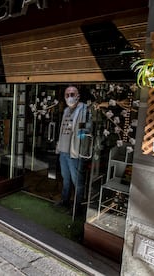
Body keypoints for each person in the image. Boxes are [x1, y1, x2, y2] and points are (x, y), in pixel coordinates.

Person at [55, 86, 91, 215]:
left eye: (72, 94)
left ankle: (77, 207)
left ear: (78, 95)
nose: (70, 96)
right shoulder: (65, 111)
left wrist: (81, 147)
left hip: (74, 153)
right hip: (63, 152)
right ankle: (65, 201)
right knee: (66, 179)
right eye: (67, 94)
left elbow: (86, 131)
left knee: (78, 182)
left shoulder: (84, 110)